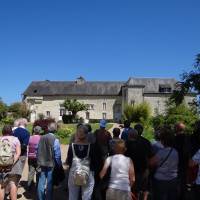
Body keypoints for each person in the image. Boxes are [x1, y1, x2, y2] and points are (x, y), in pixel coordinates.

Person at [66, 125, 97, 200]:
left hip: (74, 172)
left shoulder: (72, 146)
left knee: (72, 196)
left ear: (77, 134)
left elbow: (68, 161)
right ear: (87, 135)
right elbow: (95, 162)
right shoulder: (91, 147)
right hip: (87, 173)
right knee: (87, 197)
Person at [150, 126, 179, 200]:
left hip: (161, 180)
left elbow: (151, 163)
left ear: (163, 141)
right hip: (173, 179)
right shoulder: (176, 152)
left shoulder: (161, 152)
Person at [37, 122, 62, 200]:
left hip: (41, 162)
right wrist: (59, 164)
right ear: (56, 130)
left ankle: (41, 198)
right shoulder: (55, 139)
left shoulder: (41, 137)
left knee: (41, 182)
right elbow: (57, 154)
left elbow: (38, 150)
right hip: (51, 164)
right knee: (50, 183)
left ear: (48, 128)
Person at [126, 128, 151, 200]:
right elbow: (149, 156)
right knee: (143, 189)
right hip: (142, 170)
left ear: (130, 135)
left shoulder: (126, 144)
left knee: (133, 190)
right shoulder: (145, 142)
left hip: (131, 171)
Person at [0, 125, 21, 200]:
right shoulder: (15, 139)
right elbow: (18, 153)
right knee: (13, 184)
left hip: (1, 165)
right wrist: (12, 162)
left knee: (2, 185)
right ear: (11, 131)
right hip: (14, 166)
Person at [93, 119, 111, 200]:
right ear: (105, 125)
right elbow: (109, 144)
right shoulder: (107, 133)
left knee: (96, 173)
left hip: (97, 155)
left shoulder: (96, 132)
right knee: (104, 174)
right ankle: (103, 193)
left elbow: (93, 142)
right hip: (104, 155)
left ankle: (94, 193)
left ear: (100, 125)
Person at [174, 122, 191, 200]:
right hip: (185, 163)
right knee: (183, 181)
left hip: (176, 163)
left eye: (175, 127)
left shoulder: (174, 139)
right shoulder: (188, 138)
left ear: (177, 128)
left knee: (177, 182)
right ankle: (182, 196)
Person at [13, 118, 30, 184]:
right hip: (22, 154)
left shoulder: (13, 131)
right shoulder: (26, 133)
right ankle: (14, 187)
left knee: (10, 171)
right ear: (25, 124)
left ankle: (8, 188)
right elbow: (24, 145)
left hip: (12, 153)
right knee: (18, 172)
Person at [27, 126, 42, 190]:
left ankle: (29, 186)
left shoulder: (30, 137)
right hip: (38, 157)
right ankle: (38, 186)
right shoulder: (41, 138)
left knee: (31, 171)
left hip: (30, 156)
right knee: (38, 171)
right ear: (40, 131)